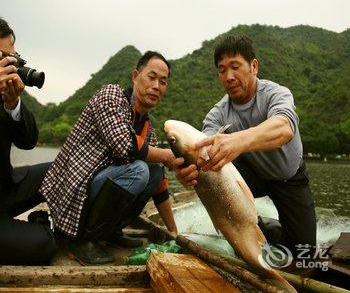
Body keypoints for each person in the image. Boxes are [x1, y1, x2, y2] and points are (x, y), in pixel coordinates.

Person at [174, 35, 316, 255]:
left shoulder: (276, 94)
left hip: (290, 177)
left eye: (235, 66)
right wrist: (188, 170)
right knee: (213, 164)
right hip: (251, 177)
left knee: (304, 249)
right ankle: (246, 226)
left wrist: (238, 140)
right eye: (222, 70)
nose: (229, 76)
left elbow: (284, 128)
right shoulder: (218, 114)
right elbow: (202, 151)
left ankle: (267, 227)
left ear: (254, 66)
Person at [40, 51, 178, 264]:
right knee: (139, 170)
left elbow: (160, 185)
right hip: (76, 190)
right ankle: (81, 241)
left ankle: (109, 232)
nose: (157, 86)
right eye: (151, 77)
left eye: (163, 82)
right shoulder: (111, 95)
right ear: (135, 76)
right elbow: (125, 145)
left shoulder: (147, 128)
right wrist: (166, 155)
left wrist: (174, 232)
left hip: (98, 189)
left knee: (154, 173)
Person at [0, 17, 56, 265]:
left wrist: (12, 105)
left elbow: (29, 141)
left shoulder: (4, 94)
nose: (7, 64)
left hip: (4, 188)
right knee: (43, 245)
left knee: (62, 168)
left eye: (11, 58)